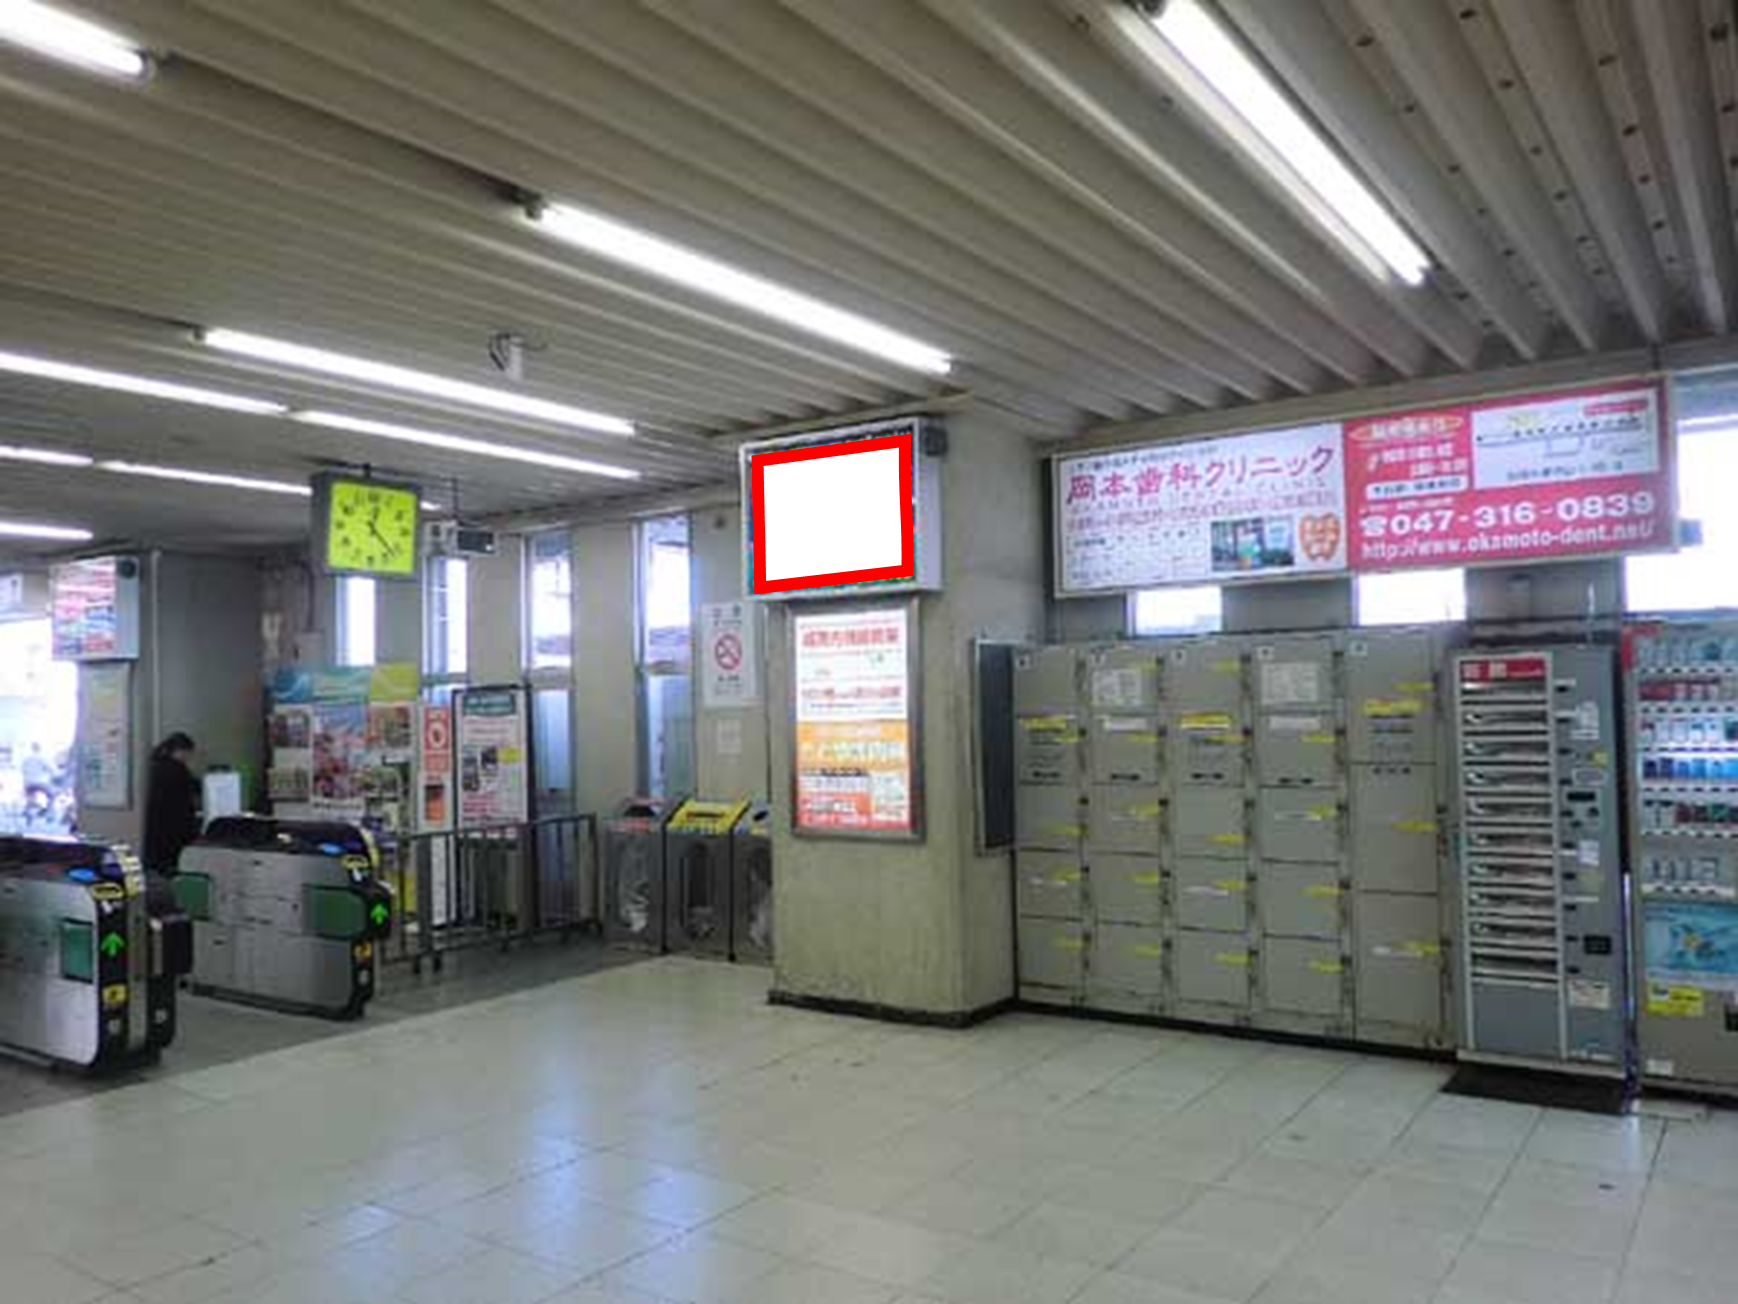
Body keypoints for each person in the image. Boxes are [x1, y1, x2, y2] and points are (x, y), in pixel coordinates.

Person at [143, 732, 201, 874]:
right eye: (188, 753)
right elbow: (194, 788)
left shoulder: (155, 765)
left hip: (158, 823)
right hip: (175, 823)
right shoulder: (176, 768)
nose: (188, 757)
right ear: (180, 750)